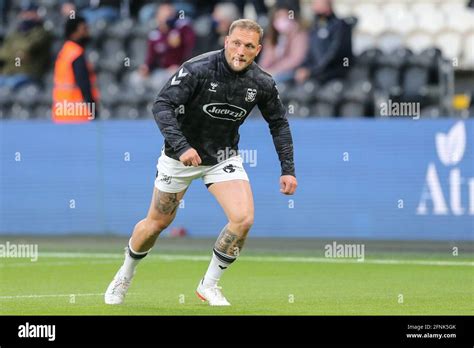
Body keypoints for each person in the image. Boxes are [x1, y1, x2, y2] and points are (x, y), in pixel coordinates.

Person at [105, 19, 297, 306]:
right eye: (236, 43)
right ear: (226, 41)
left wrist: (288, 170)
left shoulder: (262, 83)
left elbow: (279, 124)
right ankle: (125, 273)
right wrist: (182, 147)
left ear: (258, 49)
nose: (240, 51)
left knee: (243, 219)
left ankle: (209, 285)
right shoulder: (198, 69)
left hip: (222, 157)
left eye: (248, 46)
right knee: (157, 223)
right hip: (179, 157)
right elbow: (161, 105)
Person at [131, 1, 196, 91]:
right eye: (164, 13)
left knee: (159, 80)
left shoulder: (182, 29)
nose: (168, 16)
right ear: (157, 16)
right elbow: (151, 57)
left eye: (170, 13)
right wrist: (146, 67)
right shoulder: (155, 34)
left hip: (178, 69)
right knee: (135, 78)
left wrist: (181, 66)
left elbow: (190, 49)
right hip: (160, 70)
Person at [52, 16, 99, 123]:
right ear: (73, 33)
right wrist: (94, 111)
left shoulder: (64, 51)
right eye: (84, 29)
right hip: (78, 116)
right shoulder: (76, 54)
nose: (88, 33)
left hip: (62, 113)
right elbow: (84, 85)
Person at [294, 0, 352, 85]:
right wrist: (302, 67)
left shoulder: (340, 26)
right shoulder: (315, 26)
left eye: (317, 2)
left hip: (333, 74)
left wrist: (311, 72)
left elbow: (334, 55)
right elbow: (309, 53)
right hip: (315, 73)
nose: (314, 5)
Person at [0, 2, 51, 89]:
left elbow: (28, 48)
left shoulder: (42, 32)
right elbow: (2, 53)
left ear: (37, 14)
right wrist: (17, 53)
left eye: (30, 13)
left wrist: (14, 49)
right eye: (24, 12)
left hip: (29, 73)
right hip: (8, 73)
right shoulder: (16, 32)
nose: (26, 15)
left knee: (10, 86)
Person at [259, 4, 308, 83]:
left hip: (291, 72)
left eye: (285, 17)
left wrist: (275, 69)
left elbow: (296, 59)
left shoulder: (299, 34)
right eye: (279, 17)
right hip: (274, 71)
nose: (282, 20)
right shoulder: (272, 37)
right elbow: (266, 58)